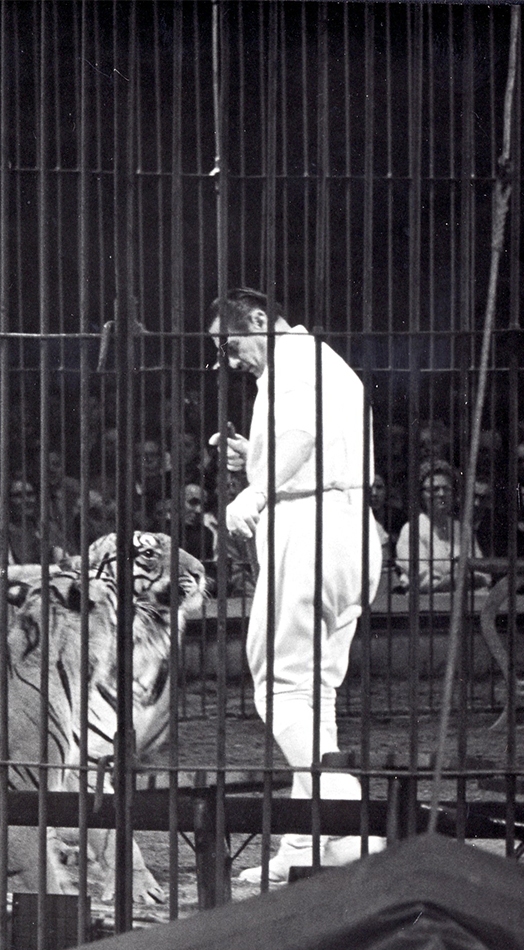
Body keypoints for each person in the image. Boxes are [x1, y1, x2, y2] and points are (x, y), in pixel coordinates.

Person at [205, 289, 385, 883]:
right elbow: (311, 443)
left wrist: (254, 492)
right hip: (352, 529)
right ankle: (310, 843)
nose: (228, 361)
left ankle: (352, 814)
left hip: (310, 530)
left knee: (278, 689)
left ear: (260, 320)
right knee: (314, 695)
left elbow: (303, 433)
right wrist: (254, 459)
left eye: (230, 345)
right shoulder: (324, 360)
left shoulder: (292, 360)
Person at [394, 459, 491, 593]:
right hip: (428, 602)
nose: (441, 494)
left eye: (446, 489)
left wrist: (463, 579)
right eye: (434, 489)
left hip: (468, 599)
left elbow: (483, 573)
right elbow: (423, 581)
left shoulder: (461, 529)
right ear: (421, 495)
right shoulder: (412, 530)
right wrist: (461, 579)